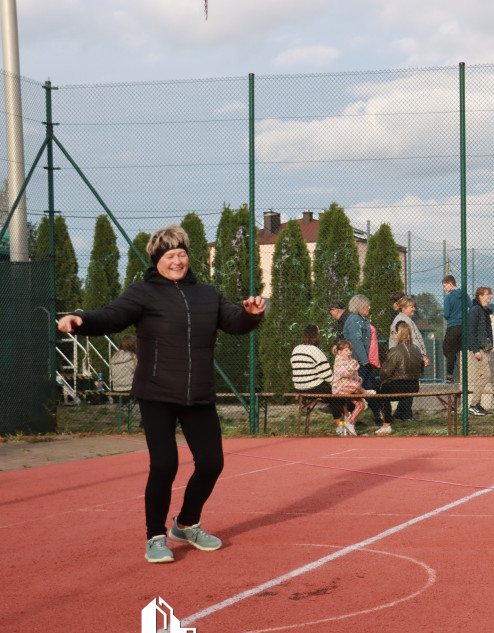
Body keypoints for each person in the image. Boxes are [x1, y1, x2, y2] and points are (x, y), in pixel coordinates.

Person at [57, 225, 265, 564]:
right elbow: (111, 316)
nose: (177, 260)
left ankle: (185, 524)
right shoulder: (142, 293)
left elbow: (234, 322)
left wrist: (251, 314)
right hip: (156, 394)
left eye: (181, 254)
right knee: (165, 464)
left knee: (212, 463)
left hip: (198, 393)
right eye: (170, 256)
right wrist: (80, 319)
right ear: (157, 261)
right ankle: (155, 536)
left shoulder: (207, 294)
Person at [291, 324, 351, 434]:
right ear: (315, 335)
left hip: (299, 387)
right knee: (336, 394)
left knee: (335, 392)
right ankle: (342, 425)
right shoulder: (316, 351)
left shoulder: (296, 349)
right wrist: (339, 383)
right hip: (313, 386)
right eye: (318, 333)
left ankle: (346, 420)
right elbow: (327, 376)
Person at [377, 321, 426, 435]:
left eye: (394, 333)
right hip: (413, 386)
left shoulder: (395, 351)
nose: (393, 335)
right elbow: (421, 369)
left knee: (380, 388)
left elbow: (385, 372)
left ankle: (386, 424)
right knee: (382, 387)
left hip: (398, 386)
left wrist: (387, 375)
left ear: (398, 334)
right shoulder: (417, 350)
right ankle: (388, 416)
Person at [342, 294, 382, 424]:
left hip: (363, 361)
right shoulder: (355, 320)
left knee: (370, 388)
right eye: (367, 305)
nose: (369, 307)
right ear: (360, 306)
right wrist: (365, 360)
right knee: (356, 389)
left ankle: (378, 416)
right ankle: (352, 419)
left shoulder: (360, 319)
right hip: (358, 362)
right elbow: (356, 342)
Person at [390, 296, 431, 420]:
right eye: (411, 307)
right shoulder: (403, 321)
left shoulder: (406, 319)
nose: (414, 309)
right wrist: (422, 356)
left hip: (407, 357)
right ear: (403, 308)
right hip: (406, 358)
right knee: (409, 386)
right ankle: (405, 415)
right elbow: (412, 341)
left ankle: (400, 413)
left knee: (409, 385)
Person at [331, 339, 374, 435]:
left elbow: (354, 376)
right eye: (346, 350)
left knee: (361, 405)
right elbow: (343, 373)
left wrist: (358, 379)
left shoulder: (352, 361)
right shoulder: (338, 360)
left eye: (350, 350)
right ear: (340, 352)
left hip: (351, 388)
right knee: (355, 386)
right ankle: (364, 392)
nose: (349, 352)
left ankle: (350, 423)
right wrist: (352, 368)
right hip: (340, 388)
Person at [466, 286, 494, 416]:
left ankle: (476, 404)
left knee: (482, 375)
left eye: (490, 294)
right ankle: (473, 404)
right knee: (486, 374)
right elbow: (470, 331)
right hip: (479, 349)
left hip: (485, 348)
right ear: (480, 296)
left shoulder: (483, 311)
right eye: (487, 294)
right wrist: (475, 349)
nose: (490, 297)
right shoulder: (475, 310)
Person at [442, 275, 466, 383]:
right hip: (464, 326)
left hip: (453, 326)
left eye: (445, 286)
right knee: (462, 350)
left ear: (450, 284)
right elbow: (470, 305)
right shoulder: (463, 295)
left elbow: (446, 314)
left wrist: (451, 315)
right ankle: (465, 375)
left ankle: (450, 375)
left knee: (448, 349)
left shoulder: (448, 297)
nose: (444, 289)